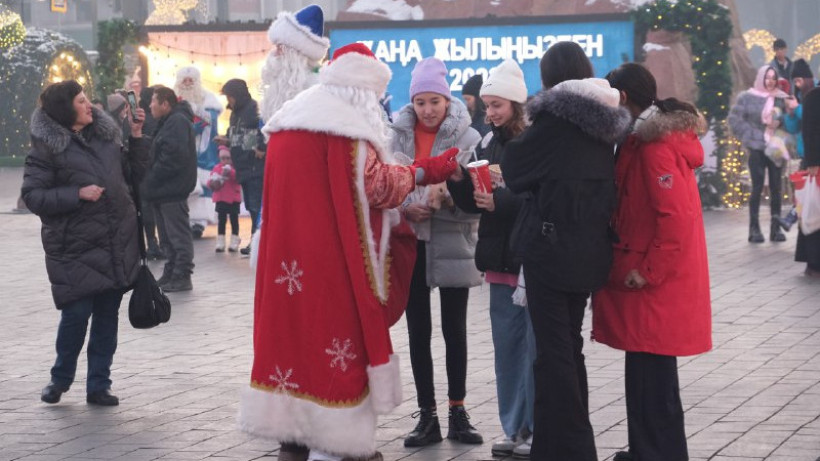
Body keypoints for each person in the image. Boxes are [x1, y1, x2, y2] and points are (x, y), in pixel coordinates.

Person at [238, 43, 461, 461]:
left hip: (286, 265)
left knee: (293, 346)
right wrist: (426, 170)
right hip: (332, 265)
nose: (376, 106)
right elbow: (377, 187)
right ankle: (344, 444)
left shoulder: (289, 122)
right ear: (361, 89)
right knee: (337, 349)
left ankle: (294, 440)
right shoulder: (345, 129)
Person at [500, 42, 631, 461]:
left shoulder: (555, 121)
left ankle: (572, 448)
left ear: (548, 78)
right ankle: (558, 445)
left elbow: (516, 168)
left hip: (550, 253)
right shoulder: (603, 124)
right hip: (589, 250)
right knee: (566, 348)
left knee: (554, 355)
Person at [591, 62, 713, 461]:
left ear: (622, 98)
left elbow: (675, 217)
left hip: (650, 281)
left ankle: (659, 454)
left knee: (653, 379)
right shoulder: (644, 139)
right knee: (645, 374)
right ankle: (649, 451)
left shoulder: (654, 147)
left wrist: (648, 271)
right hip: (647, 277)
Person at [22, 80, 150, 406]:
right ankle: (60, 379)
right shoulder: (46, 148)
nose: (89, 105)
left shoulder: (107, 137)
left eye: (87, 99)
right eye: (81, 101)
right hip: (74, 246)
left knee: (107, 318)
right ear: (67, 110)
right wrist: (76, 194)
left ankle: (99, 385)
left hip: (114, 242)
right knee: (76, 315)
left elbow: (134, 175)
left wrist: (136, 137)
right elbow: (33, 196)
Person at [390, 56, 483, 448]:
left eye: (435, 101)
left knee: (455, 330)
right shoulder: (396, 136)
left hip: (452, 243)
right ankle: (426, 416)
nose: (427, 110)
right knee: (417, 331)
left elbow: (478, 200)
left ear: (447, 101)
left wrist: (446, 199)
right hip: (411, 241)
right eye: (421, 102)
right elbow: (383, 187)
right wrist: (402, 208)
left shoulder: (468, 139)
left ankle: (458, 411)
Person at [446, 59, 535, 458]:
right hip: (498, 261)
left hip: (529, 264)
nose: (491, 112)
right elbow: (476, 205)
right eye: (488, 105)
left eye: (497, 104)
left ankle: (535, 427)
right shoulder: (485, 143)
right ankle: (512, 427)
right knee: (507, 350)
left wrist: (499, 200)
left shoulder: (534, 143)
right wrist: (460, 183)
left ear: (516, 104)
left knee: (534, 350)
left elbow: (537, 197)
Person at [250, 3, 330, 258]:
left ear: (297, 53)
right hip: (279, 180)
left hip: (306, 188)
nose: (274, 55)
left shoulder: (316, 91)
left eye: (280, 48)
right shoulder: (279, 93)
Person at [143, 85, 198, 292]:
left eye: (153, 101)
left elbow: (172, 157)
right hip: (162, 191)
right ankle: (172, 271)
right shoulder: (168, 121)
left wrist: (151, 177)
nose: (150, 106)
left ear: (165, 104)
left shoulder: (176, 121)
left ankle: (182, 274)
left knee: (177, 235)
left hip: (171, 189)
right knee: (167, 236)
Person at [729, 65, 790, 243]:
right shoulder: (747, 97)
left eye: (773, 78)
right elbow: (735, 120)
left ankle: (775, 228)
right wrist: (754, 136)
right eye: (767, 77)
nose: (770, 81)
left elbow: (790, 120)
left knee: (776, 187)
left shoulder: (781, 98)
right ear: (761, 78)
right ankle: (754, 229)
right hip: (756, 147)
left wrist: (780, 123)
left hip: (776, 146)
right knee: (756, 187)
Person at [216, 78, 266, 251]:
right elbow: (239, 135)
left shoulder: (253, 109)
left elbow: (260, 133)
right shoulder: (236, 113)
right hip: (243, 165)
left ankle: (257, 241)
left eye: (229, 96)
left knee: (255, 205)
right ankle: (256, 241)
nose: (228, 100)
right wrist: (227, 139)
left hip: (254, 165)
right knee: (252, 205)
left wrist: (259, 147)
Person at [174, 66, 223, 238]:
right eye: (184, 81)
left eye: (190, 81)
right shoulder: (173, 100)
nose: (187, 84)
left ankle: (199, 222)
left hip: (201, 152)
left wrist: (198, 122)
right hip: (181, 151)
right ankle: (186, 221)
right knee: (184, 190)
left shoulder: (207, 100)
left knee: (202, 187)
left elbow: (210, 121)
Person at [777, 60, 816, 232]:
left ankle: (793, 218)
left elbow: (813, 119)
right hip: (804, 153)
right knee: (804, 192)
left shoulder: (815, 94)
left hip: (815, 155)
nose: (797, 85)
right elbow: (793, 128)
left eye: (799, 80)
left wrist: (798, 108)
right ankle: (795, 219)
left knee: (810, 193)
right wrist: (791, 114)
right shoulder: (799, 96)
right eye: (795, 82)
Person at [796, 87, 820, 277]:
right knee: (814, 212)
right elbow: (808, 131)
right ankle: (814, 262)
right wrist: (812, 161)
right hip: (817, 163)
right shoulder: (813, 97)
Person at [209, 145, 242, 253]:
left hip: (233, 198)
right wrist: (214, 181)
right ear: (220, 158)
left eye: (228, 158)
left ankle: (234, 240)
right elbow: (210, 181)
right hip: (221, 198)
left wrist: (230, 172)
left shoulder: (235, 168)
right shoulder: (216, 168)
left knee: (234, 220)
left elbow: (238, 179)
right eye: (223, 158)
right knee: (221, 220)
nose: (225, 161)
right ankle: (220, 241)